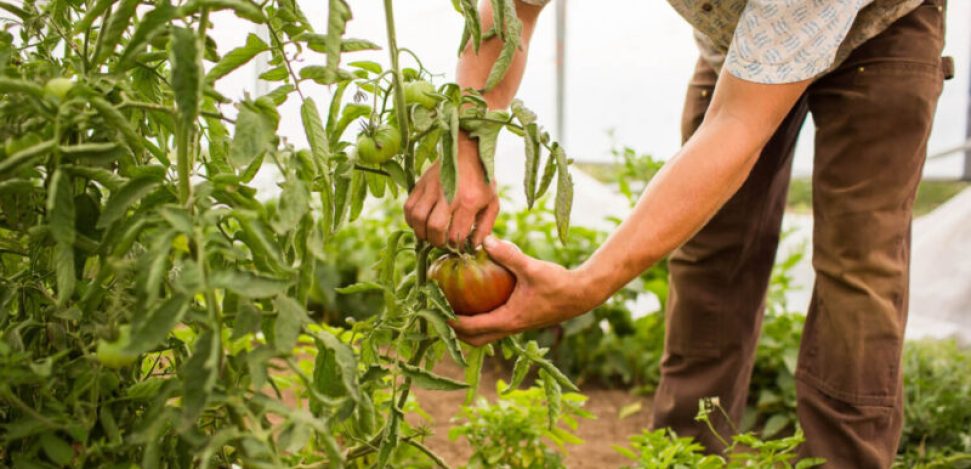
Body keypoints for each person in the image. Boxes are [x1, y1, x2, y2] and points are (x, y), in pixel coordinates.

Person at [403, 0, 951, 466]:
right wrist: (468, 138)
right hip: (738, 40)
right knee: (710, 252)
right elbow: (509, 6)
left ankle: (844, 460)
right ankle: (686, 453)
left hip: (881, 33)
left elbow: (738, 125)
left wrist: (591, 284)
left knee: (858, 268)